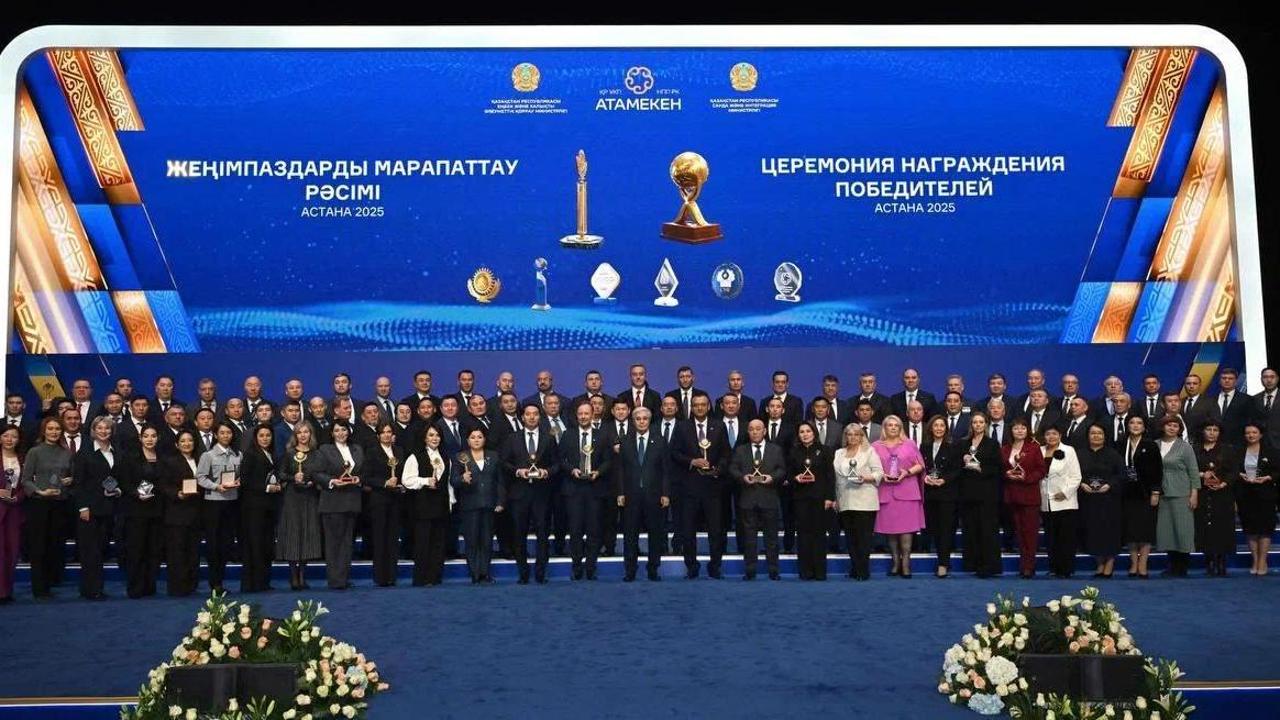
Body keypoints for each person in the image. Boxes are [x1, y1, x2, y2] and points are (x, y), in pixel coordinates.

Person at [672, 395, 730, 579]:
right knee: (688, 531)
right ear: (691, 407)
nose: (699, 408)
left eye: (703, 405)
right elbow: (674, 453)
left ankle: (715, 567)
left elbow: (726, 453)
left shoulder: (719, 426)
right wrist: (692, 461)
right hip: (689, 488)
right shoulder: (682, 427)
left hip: (713, 487)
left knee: (715, 530)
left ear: (709, 406)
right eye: (696, 405)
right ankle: (692, 567)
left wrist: (718, 469)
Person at [502, 403, 558, 584]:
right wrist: (517, 471)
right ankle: (523, 573)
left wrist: (546, 472)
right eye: (528, 414)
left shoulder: (549, 438)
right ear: (522, 417)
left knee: (543, 535)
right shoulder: (512, 438)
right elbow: (504, 463)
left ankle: (541, 573)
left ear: (540, 417)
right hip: (519, 494)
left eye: (535, 414)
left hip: (542, 494)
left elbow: (556, 464)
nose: (532, 417)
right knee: (519, 534)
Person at [21, 417, 73, 599]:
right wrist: (40, 491)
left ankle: (51, 582)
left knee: (55, 545)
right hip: (39, 504)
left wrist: (70, 480)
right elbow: (26, 480)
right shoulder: (34, 452)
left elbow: (70, 476)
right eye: (50, 429)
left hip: (60, 503)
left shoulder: (66, 453)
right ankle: (39, 588)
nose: (54, 432)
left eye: (57, 429)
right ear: (44, 431)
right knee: (39, 547)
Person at [73, 416, 124, 600]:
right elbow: (78, 483)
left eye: (107, 428)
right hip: (89, 510)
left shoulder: (117, 452)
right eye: (100, 428)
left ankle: (97, 588)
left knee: (101, 550)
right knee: (90, 551)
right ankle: (90, 589)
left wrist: (118, 490)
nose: (104, 431)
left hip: (109, 508)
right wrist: (83, 507)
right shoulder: (84, 453)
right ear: (93, 431)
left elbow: (119, 478)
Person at [616, 407, 669, 582]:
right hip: (631, 496)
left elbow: (665, 470)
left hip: (654, 496)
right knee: (630, 535)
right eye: (638, 419)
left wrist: (665, 493)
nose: (641, 422)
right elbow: (620, 469)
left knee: (655, 535)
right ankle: (630, 570)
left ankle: (653, 569)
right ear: (633, 421)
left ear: (649, 420)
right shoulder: (625, 441)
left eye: (645, 418)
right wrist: (620, 492)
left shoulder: (660, 441)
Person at [559, 402, 611, 580]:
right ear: (576, 415)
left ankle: (590, 567)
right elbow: (560, 459)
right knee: (575, 530)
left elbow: (608, 460)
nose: (583, 416)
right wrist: (571, 469)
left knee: (594, 530)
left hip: (595, 489)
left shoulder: (602, 435)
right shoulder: (568, 434)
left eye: (586, 413)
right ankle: (576, 567)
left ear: (593, 414)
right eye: (580, 413)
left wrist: (599, 472)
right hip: (573, 489)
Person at [872, 416, 925, 578]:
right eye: (890, 425)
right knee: (891, 530)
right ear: (884, 428)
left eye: (896, 425)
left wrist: (907, 472)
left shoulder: (909, 444)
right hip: (886, 492)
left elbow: (920, 465)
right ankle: (895, 563)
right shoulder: (875, 446)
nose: (893, 427)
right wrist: (881, 475)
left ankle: (906, 564)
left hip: (907, 492)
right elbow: (871, 468)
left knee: (906, 530)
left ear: (901, 428)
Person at [315, 421, 364, 589]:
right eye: (337, 430)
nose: (341, 433)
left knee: (347, 543)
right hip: (332, 501)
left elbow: (363, 470)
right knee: (333, 543)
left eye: (344, 429)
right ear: (332, 433)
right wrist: (331, 481)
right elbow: (317, 473)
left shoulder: (357, 449)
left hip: (352, 500)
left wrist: (359, 479)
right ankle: (335, 580)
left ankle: (343, 577)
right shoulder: (324, 450)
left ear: (348, 431)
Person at [402, 425, 452, 585]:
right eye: (431, 435)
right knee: (423, 543)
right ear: (424, 438)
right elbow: (407, 480)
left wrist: (450, 503)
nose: (434, 438)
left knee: (438, 543)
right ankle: (421, 578)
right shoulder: (415, 457)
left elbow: (448, 482)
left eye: (437, 435)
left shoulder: (445, 457)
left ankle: (434, 577)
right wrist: (425, 481)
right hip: (423, 507)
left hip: (441, 506)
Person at [197, 421, 243, 592]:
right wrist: (216, 486)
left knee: (226, 544)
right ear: (216, 435)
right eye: (222, 433)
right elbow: (200, 477)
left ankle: (220, 581)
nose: (225, 436)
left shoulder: (238, 454)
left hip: (232, 502)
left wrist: (239, 481)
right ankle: (214, 582)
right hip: (213, 503)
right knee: (214, 545)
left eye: (228, 433)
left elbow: (241, 475)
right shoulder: (208, 455)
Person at [452, 428, 503, 583]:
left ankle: (485, 573)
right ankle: (474, 573)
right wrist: (462, 478)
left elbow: (500, 481)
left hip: (489, 504)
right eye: (473, 437)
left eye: (479, 437)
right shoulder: (461, 457)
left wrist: (500, 501)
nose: (476, 440)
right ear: (468, 441)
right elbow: (453, 480)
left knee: (487, 540)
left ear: (484, 440)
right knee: (472, 540)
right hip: (470, 505)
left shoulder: (494, 456)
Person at [833, 423, 882, 580]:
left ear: (862, 436)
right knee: (850, 538)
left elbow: (879, 473)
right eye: (849, 434)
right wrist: (835, 499)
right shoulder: (839, 453)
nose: (853, 437)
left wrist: (865, 478)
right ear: (845, 436)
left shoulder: (869, 451)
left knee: (863, 539)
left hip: (865, 501)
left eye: (856, 434)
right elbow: (836, 479)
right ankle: (855, 567)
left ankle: (863, 570)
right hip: (845, 500)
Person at [277, 422, 322, 591]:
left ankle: (302, 574)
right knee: (293, 534)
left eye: (306, 432)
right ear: (295, 436)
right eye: (299, 432)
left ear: (311, 434)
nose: (303, 435)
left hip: (310, 497)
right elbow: (281, 474)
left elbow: (320, 474)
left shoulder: (317, 454)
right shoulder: (289, 454)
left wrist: (313, 481)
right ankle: (293, 575)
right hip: (292, 498)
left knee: (307, 534)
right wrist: (293, 478)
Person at [121, 424, 164, 598]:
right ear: (140, 438)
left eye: (153, 436)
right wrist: (136, 494)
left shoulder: (163, 457)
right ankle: (135, 587)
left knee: (153, 550)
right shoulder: (131, 458)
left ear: (158, 438)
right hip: (136, 510)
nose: (150, 439)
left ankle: (149, 585)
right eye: (146, 436)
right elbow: (125, 482)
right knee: (137, 550)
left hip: (157, 510)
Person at [957, 413, 1003, 577]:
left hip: (987, 493)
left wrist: (980, 468)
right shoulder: (963, 443)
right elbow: (956, 467)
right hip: (968, 493)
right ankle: (973, 563)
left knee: (987, 530)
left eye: (981, 422)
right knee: (971, 528)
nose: (978, 425)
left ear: (986, 424)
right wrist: (963, 460)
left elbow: (997, 467)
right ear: (971, 425)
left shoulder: (992, 444)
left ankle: (988, 566)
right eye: (975, 422)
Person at [1077, 424, 1126, 578]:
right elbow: (1073, 473)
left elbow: (1121, 474)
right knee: (1093, 532)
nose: (1096, 436)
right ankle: (1099, 563)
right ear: (1088, 436)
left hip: (1109, 500)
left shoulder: (1113, 454)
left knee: (1109, 532)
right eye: (1093, 433)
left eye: (1100, 433)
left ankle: (1109, 563)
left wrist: (1109, 485)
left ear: (1105, 436)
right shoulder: (1080, 454)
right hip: (1088, 500)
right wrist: (1081, 484)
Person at [789, 421, 835, 580]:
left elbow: (830, 476)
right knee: (803, 535)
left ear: (814, 433)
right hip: (801, 498)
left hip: (819, 498)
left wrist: (829, 497)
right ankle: (805, 571)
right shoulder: (794, 452)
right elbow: (788, 473)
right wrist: (795, 478)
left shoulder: (825, 450)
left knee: (819, 535)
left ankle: (820, 572)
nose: (805, 434)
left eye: (808, 431)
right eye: (801, 432)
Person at [1155, 416, 1200, 577]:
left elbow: (1193, 471)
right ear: (1163, 427)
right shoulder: (1155, 444)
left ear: (1180, 429)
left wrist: (1194, 493)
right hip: (1162, 494)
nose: (1172, 428)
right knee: (1167, 531)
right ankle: (1171, 565)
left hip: (1182, 493)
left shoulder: (1185, 447)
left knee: (1183, 530)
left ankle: (1182, 566)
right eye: (1169, 425)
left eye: (1175, 426)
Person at [239, 424, 282, 593]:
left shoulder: (272, 454)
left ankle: (263, 581)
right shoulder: (250, 454)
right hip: (253, 508)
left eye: (268, 435)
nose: (265, 438)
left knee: (266, 544)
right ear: (255, 438)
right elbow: (245, 481)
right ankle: (253, 583)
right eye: (261, 435)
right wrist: (267, 488)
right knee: (255, 545)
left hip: (269, 507)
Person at [1001, 418, 1046, 579]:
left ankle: (1029, 566)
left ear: (1028, 431)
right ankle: (1023, 564)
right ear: (1011, 431)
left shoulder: (1034, 448)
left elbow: (1041, 470)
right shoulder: (1005, 449)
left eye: (1023, 428)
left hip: (1029, 496)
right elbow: (1000, 469)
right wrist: (1006, 474)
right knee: (1019, 533)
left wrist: (1027, 477)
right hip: (1012, 496)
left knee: (1030, 534)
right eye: (1016, 428)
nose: (1019, 431)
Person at [160, 430, 202, 596]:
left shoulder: (200, 459)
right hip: (177, 513)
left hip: (196, 512)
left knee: (193, 551)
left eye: (190, 440)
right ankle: (178, 587)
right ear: (177, 445)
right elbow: (163, 485)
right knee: (177, 551)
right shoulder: (170, 462)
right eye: (183, 441)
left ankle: (191, 584)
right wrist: (176, 494)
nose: (187, 443)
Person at [1194, 421, 1238, 577]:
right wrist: (1201, 475)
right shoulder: (1195, 449)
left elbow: (1234, 471)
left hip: (1222, 494)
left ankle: (1221, 562)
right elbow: (1188, 470)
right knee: (1204, 528)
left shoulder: (1228, 450)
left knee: (1222, 528)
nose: (1212, 432)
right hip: (1202, 493)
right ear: (1203, 431)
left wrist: (1223, 484)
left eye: (1215, 430)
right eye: (1208, 429)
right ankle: (1209, 562)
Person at [1120, 415, 1162, 578]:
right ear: (1127, 425)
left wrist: (1155, 491)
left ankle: (1143, 563)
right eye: (1132, 422)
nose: (1135, 425)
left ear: (1144, 427)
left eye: (1139, 423)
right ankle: (1133, 563)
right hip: (1127, 493)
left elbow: (1158, 470)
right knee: (1130, 530)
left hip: (1146, 493)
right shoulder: (1120, 444)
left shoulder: (1150, 445)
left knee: (1145, 530)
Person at [367, 422, 406, 587]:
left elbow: (403, 472)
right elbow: (367, 477)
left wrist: (402, 485)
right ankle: (380, 577)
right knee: (380, 538)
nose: (386, 435)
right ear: (378, 436)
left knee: (392, 539)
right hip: (379, 500)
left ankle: (392, 575)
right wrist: (384, 483)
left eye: (389, 432)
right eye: (383, 432)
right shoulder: (372, 452)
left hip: (396, 500)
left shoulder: (399, 451)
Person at [1040, 426, 1082, 578]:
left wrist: (1065, 492)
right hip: (1046, 501)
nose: (1051, 437)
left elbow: (1076, 476)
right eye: (1048, 434)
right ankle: (1054, 568)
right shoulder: (1039, 450)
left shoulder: (1069, 450)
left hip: (1065, 501)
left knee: (1066, 538)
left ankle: (1066, 569)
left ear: (1060, 435)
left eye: (1054, 433)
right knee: (1051, 538)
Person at [1236, 422, 1276, 576]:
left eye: (1254, 432)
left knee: (1265, 529)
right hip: (1246, 494)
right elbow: (1233, 470)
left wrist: (1268, 477)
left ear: (1260, 434)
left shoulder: (1271, 452)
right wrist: (1240, 475)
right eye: (1248, 433)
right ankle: (1255, 559)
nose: (1251, 435)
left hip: (1265, 495)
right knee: (1250, 529)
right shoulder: (1238, 451)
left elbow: (1277, 471)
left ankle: (1262, 561)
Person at [919, 416, 958, 577]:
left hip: (947, 494)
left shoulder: (953, 446)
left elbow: (957, 469)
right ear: (931, 428)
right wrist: (925, 477)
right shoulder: (924, 446)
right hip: (930, 494)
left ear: (946, 429)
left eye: (942, 425)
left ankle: (943, 564)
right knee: (934, 529)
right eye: (936, 425)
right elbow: (921, 467)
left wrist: (944, 480)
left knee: (945, 530)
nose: (939, 428)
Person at [0, 426, 24, 603]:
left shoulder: (23, 459)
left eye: (13, 436)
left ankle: (7, 591)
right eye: (6, 436)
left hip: (15, 510)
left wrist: (18, 496)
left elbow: (26, 483)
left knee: (12, 551)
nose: (9, 439)